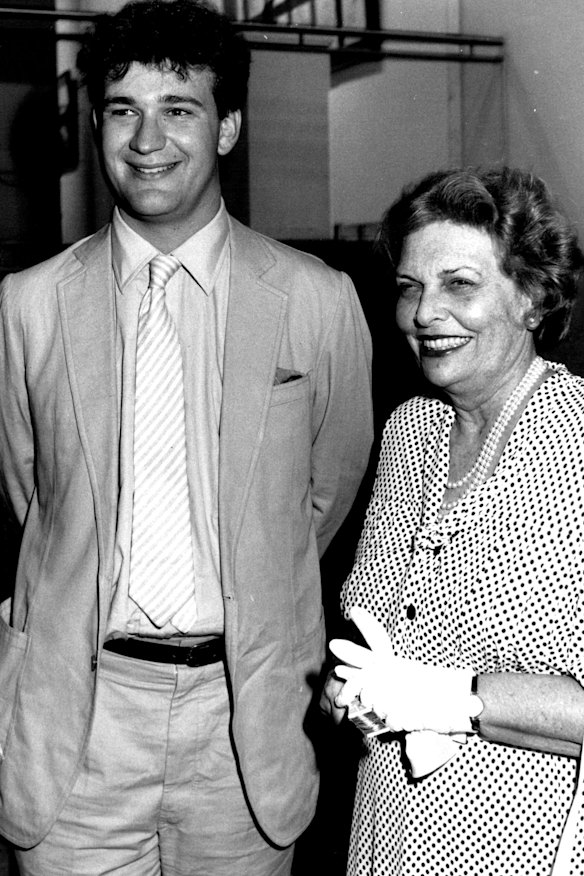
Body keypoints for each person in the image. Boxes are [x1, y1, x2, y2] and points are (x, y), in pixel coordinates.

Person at [0, 1, 373, 873]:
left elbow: (323, 496)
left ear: (229, 126)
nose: (146, 140)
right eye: (122, 110)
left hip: (244, 726)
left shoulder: (317, 300)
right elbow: (36, 495)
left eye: (178, 109)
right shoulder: (27, 305)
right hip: (79, 724)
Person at [321, 166, 584, 876]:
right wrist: (351, 691)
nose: (424, 312)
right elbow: (380, 633)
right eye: (410, 287)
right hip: (385, 832)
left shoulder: (578, 439)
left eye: (459, 284)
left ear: (533, 296)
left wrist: (449, 698)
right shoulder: (409, 432)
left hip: (524, 845)